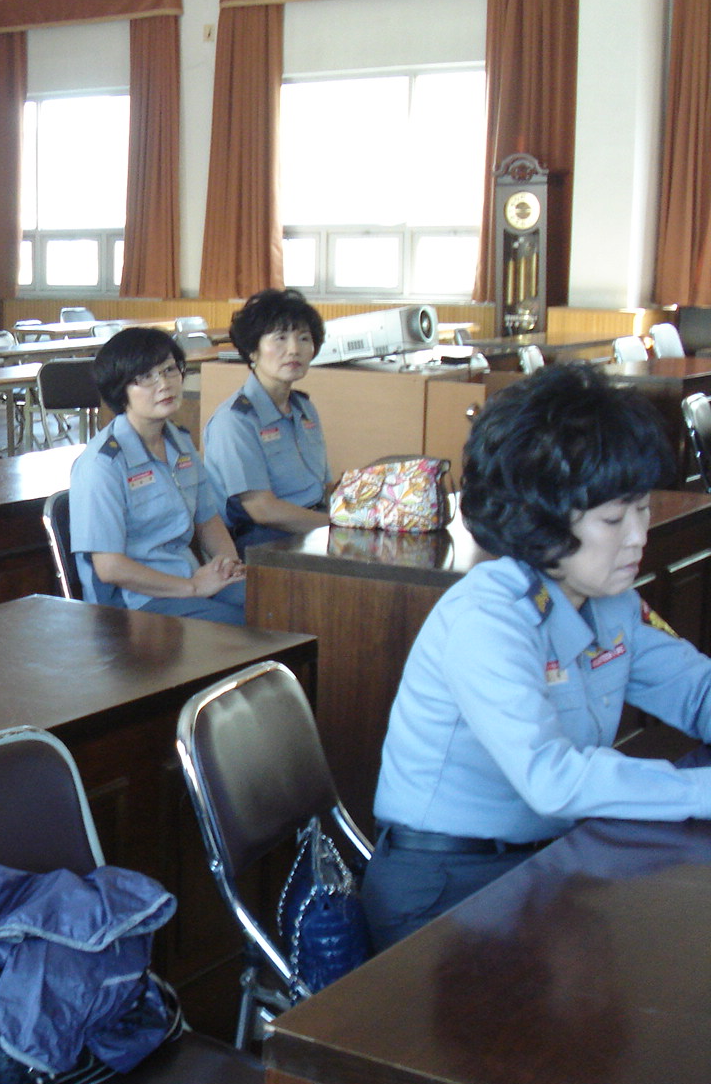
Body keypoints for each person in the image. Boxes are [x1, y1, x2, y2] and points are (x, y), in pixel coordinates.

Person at [362, 363, 711, 951]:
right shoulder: (488, 619)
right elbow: (552, 778)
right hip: (445, 883)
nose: (638, 536)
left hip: (544, 856)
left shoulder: (610, 601)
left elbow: (696, 691)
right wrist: (701, 791)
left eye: (642, 509)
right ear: (542, 520)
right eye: (613, 519)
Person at [69, 327, 246, 623]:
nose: (164, 384)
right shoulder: (102, 464)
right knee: (242, 628)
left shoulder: (180, 442)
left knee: (274, 605)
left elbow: (208, 520)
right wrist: (192, 587)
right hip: (135, 603)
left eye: (169, 370)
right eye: (146, 377)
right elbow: (110, 568)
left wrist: (229, 566)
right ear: (120, 389)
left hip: (189, 581)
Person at [202, 288, 333, 553]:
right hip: (264, 541)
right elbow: (262, 510)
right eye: (280, 338)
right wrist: (336, 525)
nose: (294, 350)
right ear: (253, 350)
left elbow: (325, 486)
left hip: (313, 526)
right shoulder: (235, 421)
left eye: (304, 338)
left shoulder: (304, 408)